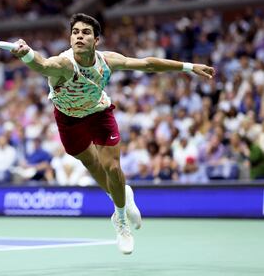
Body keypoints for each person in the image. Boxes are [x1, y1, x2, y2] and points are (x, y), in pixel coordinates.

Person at [11, 13, 215, 254]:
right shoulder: (64, 63)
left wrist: (189, 67)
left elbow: (147, 64)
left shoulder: (106, 61)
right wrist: (26, 53)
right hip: (68, 119)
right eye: (75, 32)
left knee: (112, 168)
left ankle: (120, 221)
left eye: (85, 33)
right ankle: (121, 194)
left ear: (96, 40)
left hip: (99, 114)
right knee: (92, 165)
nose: (79, 36)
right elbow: (42, 65)